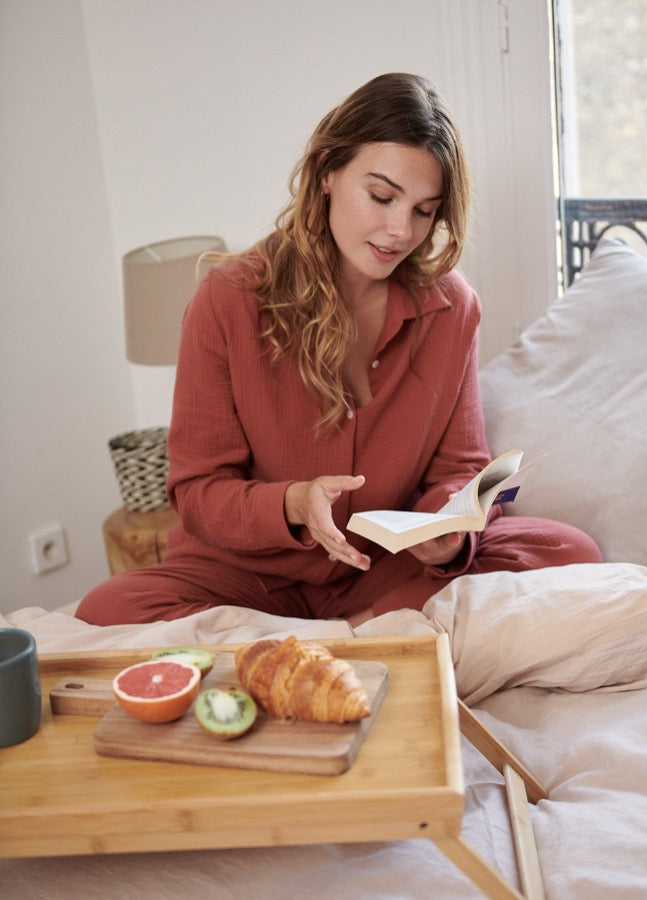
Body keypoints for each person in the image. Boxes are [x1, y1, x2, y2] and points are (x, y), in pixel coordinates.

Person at [77, 73, 601, 627]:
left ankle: (337, 636)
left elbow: (460, 467)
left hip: (376, 571)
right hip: (246, 574)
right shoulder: (228, 300)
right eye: (381, 196)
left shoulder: (452, 309)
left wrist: (445, 532)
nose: (400, 230)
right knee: (105, 610)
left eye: (425, 211)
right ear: (327, 172)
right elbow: (198, 492)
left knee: (569, 551)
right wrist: (292, 504)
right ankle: (373, 634)